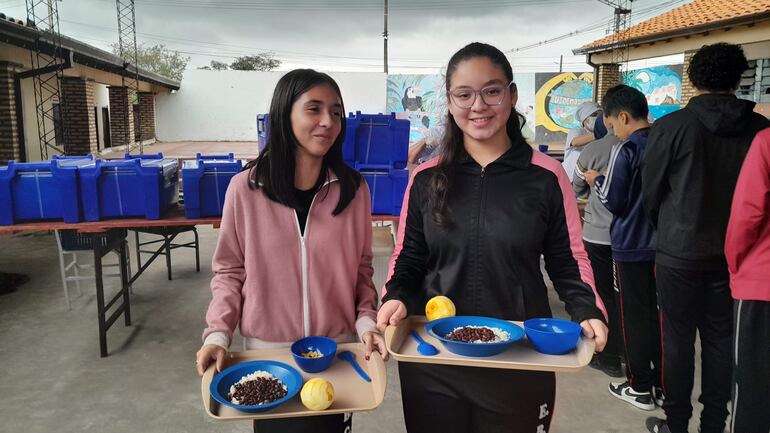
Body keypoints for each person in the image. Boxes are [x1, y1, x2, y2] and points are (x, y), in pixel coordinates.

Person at [376, 42, 608, 433]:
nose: (478, 105)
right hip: (436, 355)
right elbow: (409, 255)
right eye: (464, 94)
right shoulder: (426, 178)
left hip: (519, 357)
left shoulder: (546, 178)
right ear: (449, 102)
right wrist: (395, 296)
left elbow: (568, 258)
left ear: (512, 95)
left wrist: (587, 309)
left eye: (492, 90)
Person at [194, 69, 387, 433]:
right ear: (285, 115)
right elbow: (230, 271)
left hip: (335, 353)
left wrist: (366, 322)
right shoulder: (245, 189)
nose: (327, 122)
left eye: (336, 111)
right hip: (268, 355)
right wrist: (218, 334)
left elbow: (361, 268)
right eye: (313, 109)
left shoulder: (353, 190)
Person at [641, 43, 770, 433]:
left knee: (677, 340)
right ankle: (715, 424)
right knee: (721, 342)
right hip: (741, 260)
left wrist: (666, 231)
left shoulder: (670, 127)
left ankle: (675, 423)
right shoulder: (761, 131)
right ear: (738, 77)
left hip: (679, 252)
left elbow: (650, 193)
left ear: (694, 79)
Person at [585, 85, 662, 412]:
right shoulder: (665, 141)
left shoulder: (626, 147)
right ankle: (659, 385)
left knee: (631, 316)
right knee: (656, 316)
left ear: (624, 117)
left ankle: (639, 386)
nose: (613, 130)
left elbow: (613, 201)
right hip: (662, 245)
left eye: (613, 123)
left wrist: (595, 180)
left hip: (629, 245)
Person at [725, 128, 770, 433]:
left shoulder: (766, 141)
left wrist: (734, 264)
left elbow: (747, 215)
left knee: (752, 387)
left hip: (761, 285)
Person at [573, 114, 624, 378]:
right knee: (636, 299)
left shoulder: (594, 150)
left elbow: (578, 187)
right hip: (641, 240)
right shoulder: (650, 144)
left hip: (599, 234)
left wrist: (596, 181)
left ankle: (610, 356)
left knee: (602, 293)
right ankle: (637, 358)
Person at [562, 102, 601, 182]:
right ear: (585, 119)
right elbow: (575, 142)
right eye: (594, 115)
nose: (597, 118)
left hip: (588, 180)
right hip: (570, 179)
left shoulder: (602, 135)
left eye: (600, 115)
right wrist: (599, 134)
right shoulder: (577, 130)